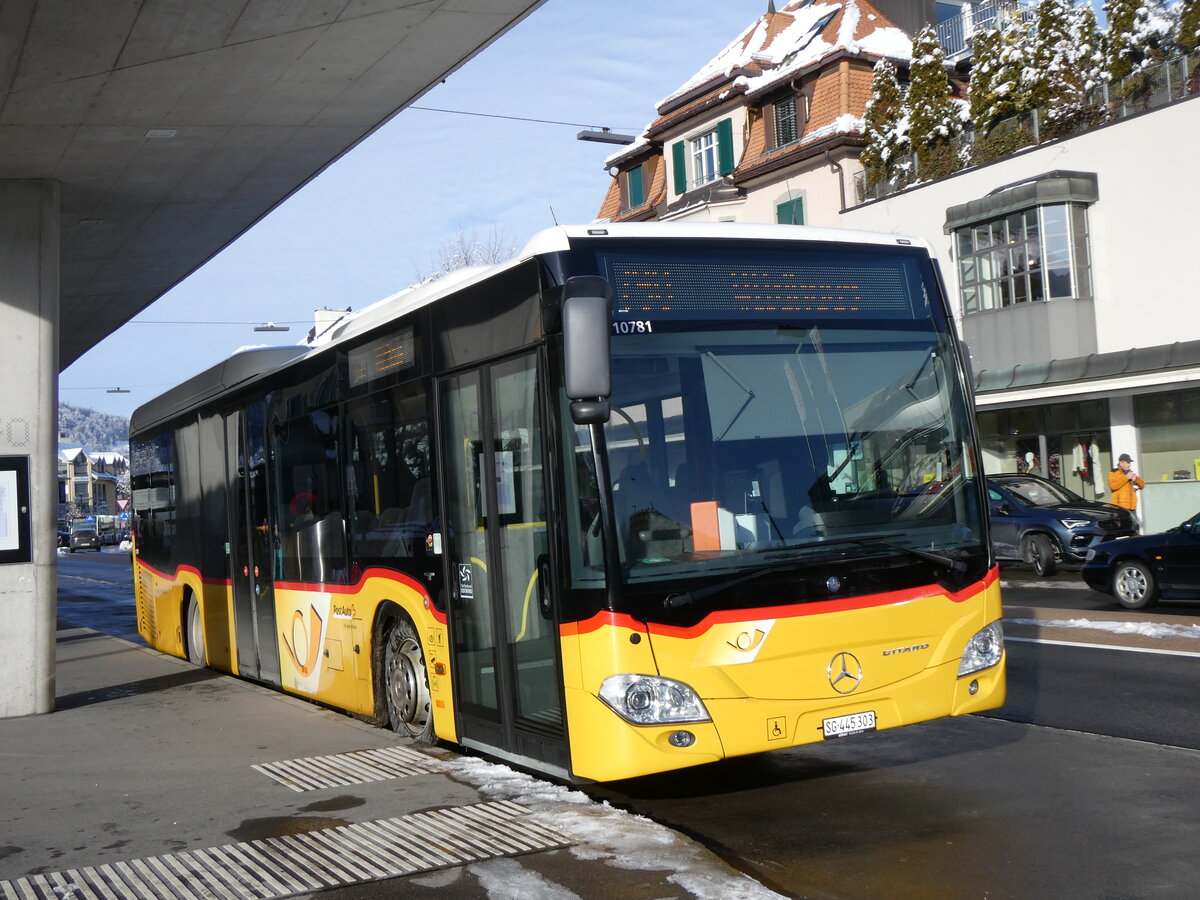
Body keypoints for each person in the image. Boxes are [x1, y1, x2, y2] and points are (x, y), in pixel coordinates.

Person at [1108, 453, 1145, 530]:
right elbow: (1113, 486)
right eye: (1127, 462)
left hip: (1132, 507)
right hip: (1120, 507)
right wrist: (1126, 478)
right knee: (1123, 529)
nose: (1129, 464)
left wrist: (1136, 479)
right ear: (1121, 463)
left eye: (1130, 462)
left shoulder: (1130, 473)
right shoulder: (1113, 472)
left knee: (1135, 528)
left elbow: (1142, 485)